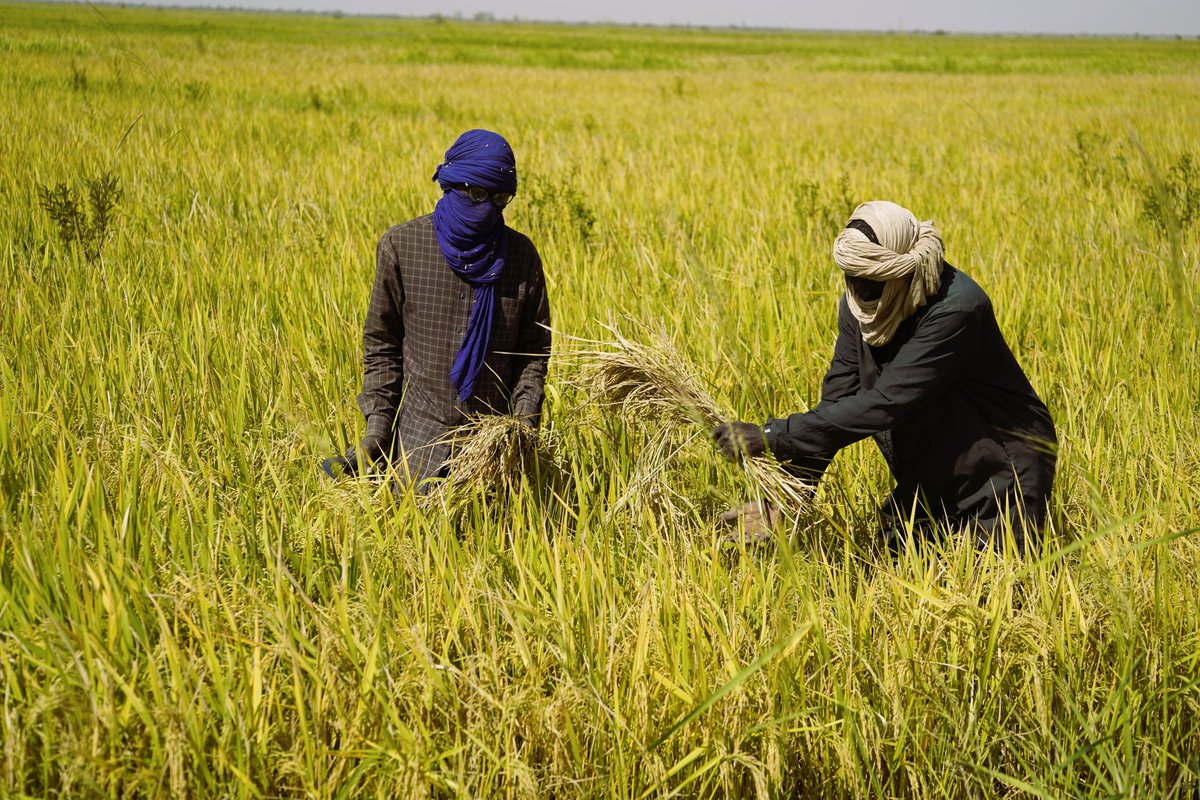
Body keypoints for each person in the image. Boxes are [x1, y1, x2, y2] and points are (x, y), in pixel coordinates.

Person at [713, 201, 1056, 553]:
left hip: (1000, 471)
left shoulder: (957, 310)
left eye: (870, 284)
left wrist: (771, 435)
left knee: (994, 586)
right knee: (902, 560)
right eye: (851, 279)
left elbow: (885, 402)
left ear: (902, 273)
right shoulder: (860, 305)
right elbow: (839, 400)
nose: (860, 294)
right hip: (931, 458)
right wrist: (785, 497)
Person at [323, 129, 551, 490]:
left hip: (489, 454)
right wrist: (377, 432)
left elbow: (532, 355)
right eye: (476, 194)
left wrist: (520, 427)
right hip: (416, 448)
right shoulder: (404, 247)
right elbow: (382, 346)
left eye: (500, 198)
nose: (487, 207)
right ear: (451, 185)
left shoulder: (520, 257)